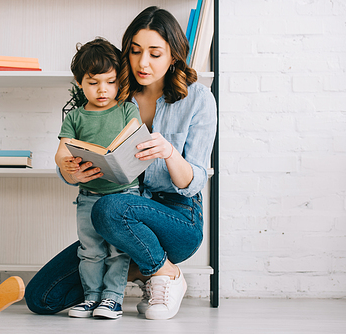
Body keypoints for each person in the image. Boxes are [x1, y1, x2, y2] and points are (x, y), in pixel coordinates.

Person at [25, 6, 217, 320]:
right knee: (42, 298)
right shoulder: (113, 93)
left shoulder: (198, 99)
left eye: (155, 53)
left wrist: (169, 153)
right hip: (118, 218)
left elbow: (193, 181)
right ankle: (141, 268)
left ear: (174, 56)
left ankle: (166, 273)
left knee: (109, 208)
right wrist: (72, 173)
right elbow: (70, 150)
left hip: (177, 217)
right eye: (136, 51)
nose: (143, 63)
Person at [54, 37, 142, 319]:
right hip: (88, 196)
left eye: (110, 81)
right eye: (93, 83)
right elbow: (61, 153)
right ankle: (92, 297)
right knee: (90, 250)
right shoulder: (76, 118)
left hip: (124, 195)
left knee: (118, 251)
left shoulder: (128, 109)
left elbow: (135, 140)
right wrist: (68, 168)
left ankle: (113, 299)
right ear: (80, 83)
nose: (103, 90)